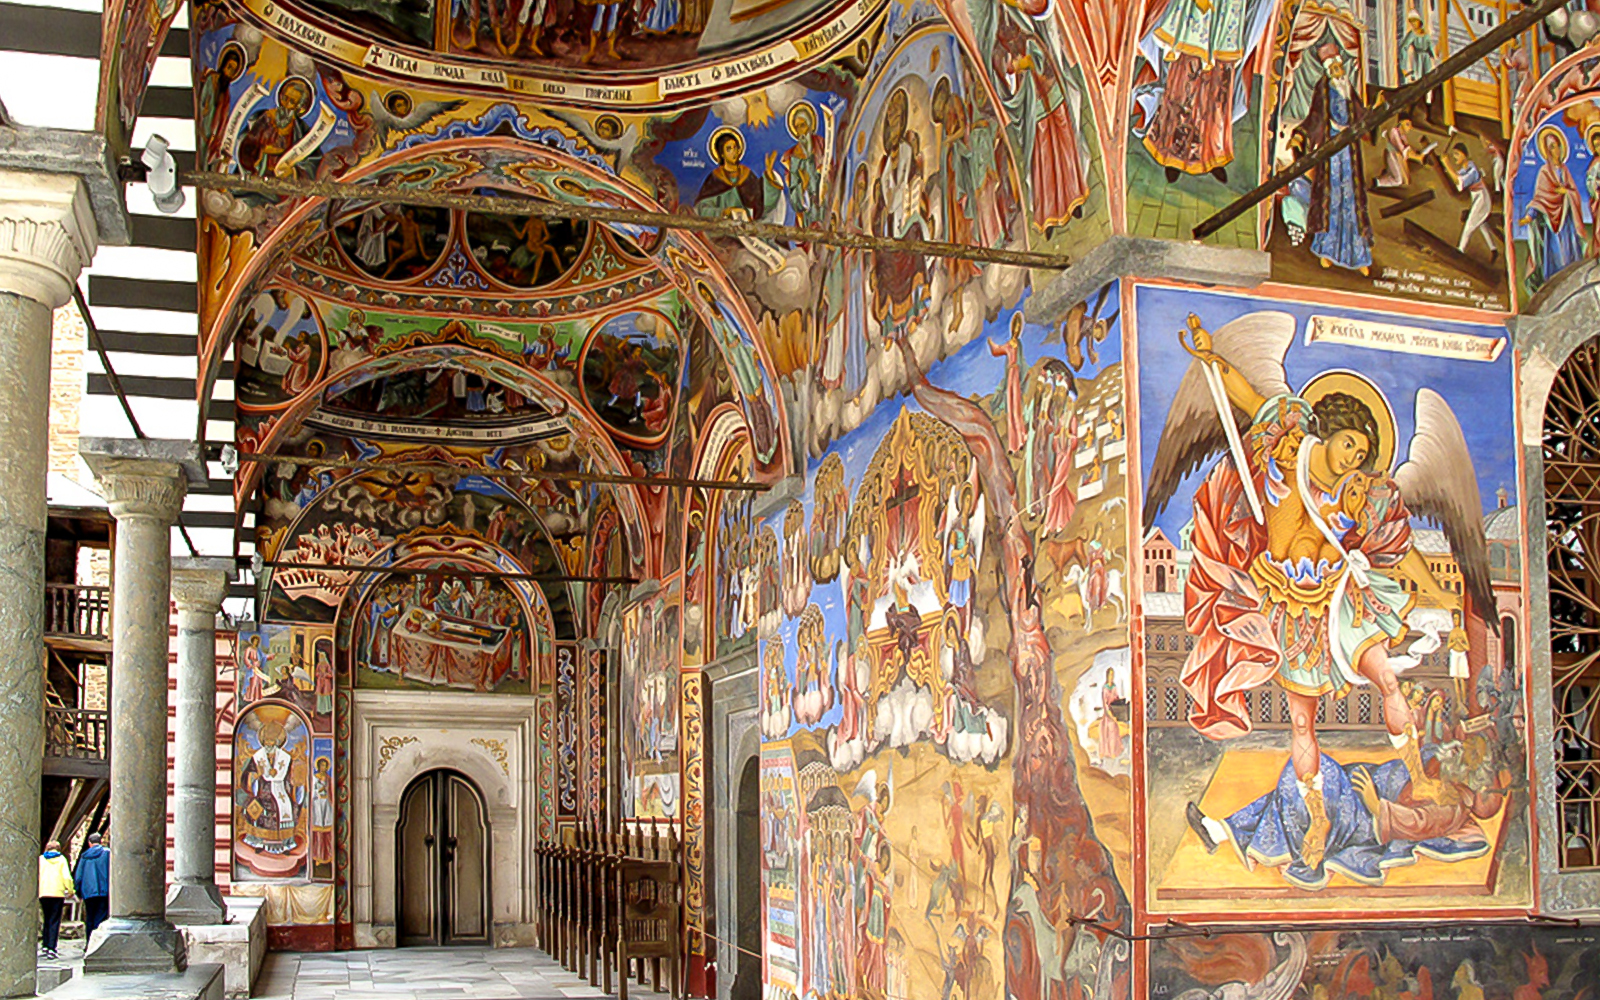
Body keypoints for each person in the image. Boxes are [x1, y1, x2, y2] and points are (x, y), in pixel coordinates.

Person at [1303, 55, 1374, 274]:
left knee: (1351, 201)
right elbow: (1315, 118)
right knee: (1332, 199)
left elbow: (1360, 114)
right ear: (1327, 71)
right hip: (1332, 148)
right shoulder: (1323, 91)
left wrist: (1376, 109)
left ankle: (1359, 256)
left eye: (1339, 67)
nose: (1338, 71)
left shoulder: (1348, 88)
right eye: (1333, 68)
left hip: (1350, 152)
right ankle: (1327, 251)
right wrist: (1301, 135)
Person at [1448, 142, 1496, 258]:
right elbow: (1456, 177)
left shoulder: (1472, 169)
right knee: (1481, 223)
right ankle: (1493, 249)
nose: (1455, 157)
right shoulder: (1466, 168)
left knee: (1470, 225)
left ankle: (1460, 251)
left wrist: (1446, 164)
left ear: (1464, 155)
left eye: (1457, 154)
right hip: (1477, 197)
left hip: (1482, 198)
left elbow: (1460, 182)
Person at [38, 840, 73, 959]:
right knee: (54, 920)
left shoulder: (41, 859)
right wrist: (70, 890)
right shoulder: (61, 859)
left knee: (46, 919)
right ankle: (52, 947)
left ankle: (45, 944)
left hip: (43, 892)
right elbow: (66, 877)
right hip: (57, 893)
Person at [74, 831, 110, 936]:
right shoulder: (107, 853)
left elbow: (79, 876)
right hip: (104, 890)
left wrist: (78, 891)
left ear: (89, 843)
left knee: (89, 917)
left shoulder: (84, 856)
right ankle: (98, 942)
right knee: (101, 917)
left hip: (88, 892)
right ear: (101, 841)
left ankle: (89, 943)